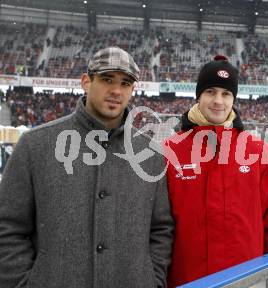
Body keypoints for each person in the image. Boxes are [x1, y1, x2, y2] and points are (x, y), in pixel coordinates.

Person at [0, 47, 174, 288]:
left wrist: (151, 279)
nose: (116, 90)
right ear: (86, 81)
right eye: (106, 79)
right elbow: (8, 226)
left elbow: (161, 230)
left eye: (125, 83)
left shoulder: (150, 153)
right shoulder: (35, 145)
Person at [164, 55, 268, 287]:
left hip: (247, 283)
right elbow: (157, 230)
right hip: (186, 281)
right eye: (210, 91)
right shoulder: (169, 151)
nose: (218, 101)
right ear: (198, 96)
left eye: (226, 94)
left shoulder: (258, 152)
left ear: (233, 99)